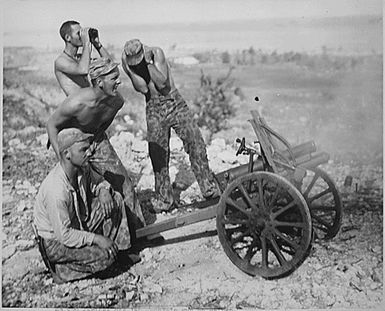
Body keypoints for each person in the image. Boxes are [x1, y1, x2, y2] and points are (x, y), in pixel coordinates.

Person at [47, 57, 146, 242]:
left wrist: (97, 137)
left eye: (118, 77)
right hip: (73, 143)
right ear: (99, 82)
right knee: (77, 192)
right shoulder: (76, 103)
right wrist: (60, 155)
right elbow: (52, 124)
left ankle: (139, 234)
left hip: (97, 139)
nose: (119, 81)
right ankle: (84, 239)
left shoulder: (116, 101)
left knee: (123, 183)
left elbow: (105, 120)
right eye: (113, 78)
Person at [121, 39, 220, 212]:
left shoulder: (156, 53)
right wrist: (130, 70)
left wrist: (148, 63)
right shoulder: (127, 61)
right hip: (153, 107)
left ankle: (208, 187)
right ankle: (164, 198)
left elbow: (162, 83)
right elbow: (143, 88)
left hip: (173, 102)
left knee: (195, 143)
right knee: (158, 154)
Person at [34, 128, 132, 283]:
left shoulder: (82, 167)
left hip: (78, 223)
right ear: (67, 154)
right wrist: (97, 239)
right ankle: (63, 271)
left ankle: (121, 251)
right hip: (56, 242)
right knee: (105, 257)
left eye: (88, 147)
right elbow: (64, 235)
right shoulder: (56, 190)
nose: (89, 152)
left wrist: (103, 190)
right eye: (83, 149)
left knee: (116, 199)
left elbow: (98, 182)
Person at [54, 20, 112, 96]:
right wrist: (86, 43)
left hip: (87, 103)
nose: (82, 37)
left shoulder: (80, 58)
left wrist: (98, 45)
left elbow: (109, 64)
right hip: (77, 105)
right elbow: (83, 70)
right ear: (68, 37)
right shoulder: (61, 61)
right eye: (79, 33)